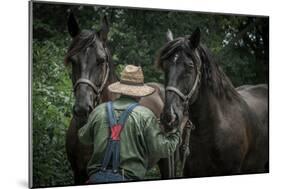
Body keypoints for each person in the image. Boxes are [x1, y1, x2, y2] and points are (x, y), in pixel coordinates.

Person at [78, 65, 180, 183]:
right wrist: (176, 131)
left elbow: (83, 138)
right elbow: (163, 149)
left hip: (96, 179)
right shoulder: (145, 115)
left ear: (120, 90)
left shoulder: (99, 111)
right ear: (140, 93)